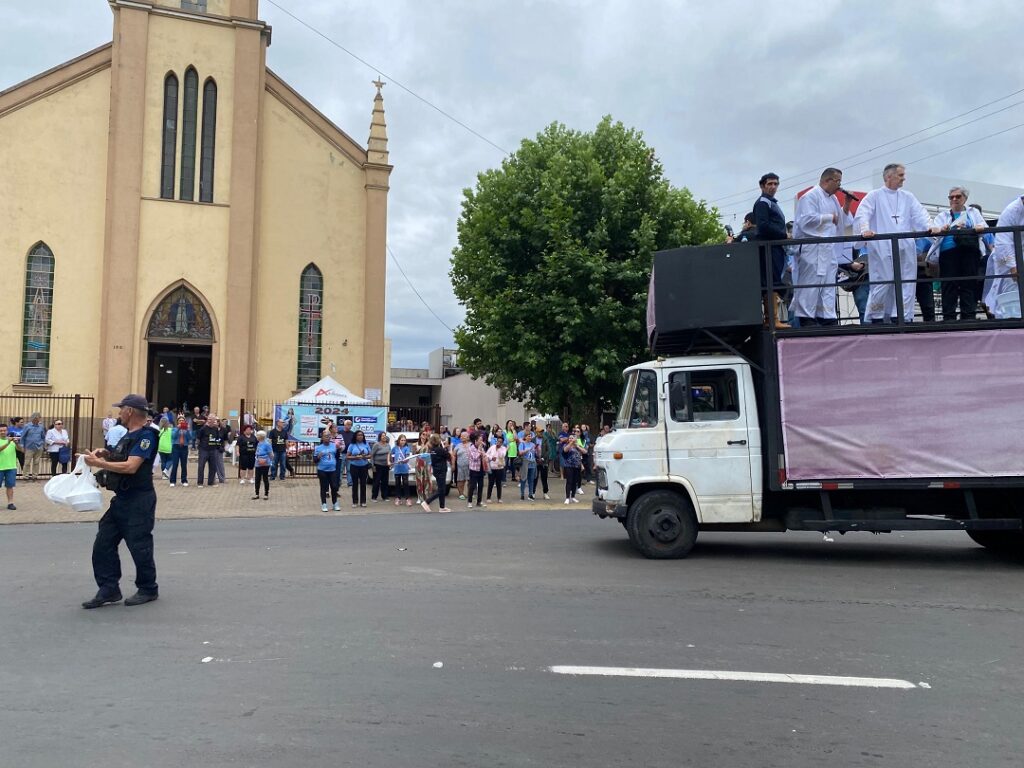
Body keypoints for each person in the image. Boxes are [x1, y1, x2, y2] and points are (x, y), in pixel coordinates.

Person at [81, 394, 160, 609]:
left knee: (139, 545)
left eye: (121, 408)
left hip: (139, 499)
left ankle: (148, 588)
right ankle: (109, 588)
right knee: (103, 542)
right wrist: (105, 454)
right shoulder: (128, 435)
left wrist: (100, 463)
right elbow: (121, 459)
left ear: (130, 411)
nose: (118, 412)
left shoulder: (147, 436)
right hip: (122, 499)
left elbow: (131, 466)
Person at [854, 163, 938, 323]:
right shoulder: (874, 196)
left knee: (906, 281)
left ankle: (902, 316)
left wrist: (931, 227)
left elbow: (920, 215)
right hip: (882, 246)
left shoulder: (908, 197)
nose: (903, 178)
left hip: (905, 246)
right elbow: (863, 214)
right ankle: (877, 317)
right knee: (882, 280)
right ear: (888, 176)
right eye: (900, 175)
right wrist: (865, 229)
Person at [790, 168, 854, 326]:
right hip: (813, 247)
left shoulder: (832, 199)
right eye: (837, 181)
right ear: (827, 180)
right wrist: (828, 218)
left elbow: (840, 221)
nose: (840, 185)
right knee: (810, 283)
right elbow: (805, 221)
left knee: (827, 284)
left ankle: (826, 316)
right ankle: (806, 317)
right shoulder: (810, 196)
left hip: (828, 248)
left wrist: (846, 204)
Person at [926, 186, 988, 321]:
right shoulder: (943, 215)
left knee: (969, 284)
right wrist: (943, 228)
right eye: (951, 197)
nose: (954, 199)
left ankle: (969, 316)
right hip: (948, 253)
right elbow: (934, 231)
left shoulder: (974, 212)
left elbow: (984, 227)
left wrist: (975, 228)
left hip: (969, 252)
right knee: (949, 285)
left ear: (965, 198)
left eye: (958, 196)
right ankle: (949, 318)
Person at [753, 172, 790, 328]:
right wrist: (784, 234)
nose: (773, 187)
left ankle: (772, 318)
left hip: (775, 247)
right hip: (769, 246)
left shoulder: (771, 202)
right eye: (770, 184)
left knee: (774, 279)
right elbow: (763, 225)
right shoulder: (763, 202)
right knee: (771, 280)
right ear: (762, 186)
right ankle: (771, 318)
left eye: (775, 184)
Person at [984, 195, 1024, 318]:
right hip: (1007, 259)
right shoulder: (1011, 211)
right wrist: (1013, 265)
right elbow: (1003, 241)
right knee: (1009, 291)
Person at [420, 434, 453, 513]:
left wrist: (444, 448)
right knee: (441, 490)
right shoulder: (440, 450)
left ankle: (442, 507)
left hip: (436, 470)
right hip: (441, 470)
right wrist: (450, 448)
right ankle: (427, 502)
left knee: (442, 488)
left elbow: (442, 455)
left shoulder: (433, 450)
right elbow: (449, 456)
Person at [313, 430, 340, 511]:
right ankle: (324, 504)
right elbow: (314, 460)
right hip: (322, 470)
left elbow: (337, 456)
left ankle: (335, 503)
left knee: (334, 487)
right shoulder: (318, 448)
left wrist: (338, 450)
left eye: (328, 436)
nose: (327, 437)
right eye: (325, 436)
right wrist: (318, 457)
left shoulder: (334, 446)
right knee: (324, 488)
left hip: (332, 470)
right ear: (322, 437)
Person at [195, 414, 223, 487]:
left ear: (214, 421)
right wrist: (199, 447)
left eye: (212, 419)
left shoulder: (215, 428)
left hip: (213, 450)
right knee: (201, 466)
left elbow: (217, 438)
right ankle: (200, 482)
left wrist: (218, 446)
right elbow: (198, 438)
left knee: (213, 466)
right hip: (203, 450)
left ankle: (211, 482)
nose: (210, 420)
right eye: (209, 419)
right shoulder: (203, 429)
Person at [346, 430, 370, 507]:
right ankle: (355, 501)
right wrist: (355, 457)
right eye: (358, 435)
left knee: (363, 484)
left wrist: (364, 456)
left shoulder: (366, 444)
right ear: (355, 436)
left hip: (364, 466)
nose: (360, 436)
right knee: (355, 484)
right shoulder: (352, 445)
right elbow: (347, 456)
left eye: (361, 435)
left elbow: (370, 455)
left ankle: (363, 501)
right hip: (354, 467)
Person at [21, 412, 46, 480]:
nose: (38, 420)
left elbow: (43, 437)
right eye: (37, 418)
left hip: (39, 447)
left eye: (39, 418)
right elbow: (22, 437)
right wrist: (22, 446)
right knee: (27, 462)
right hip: (29, 447)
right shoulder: (27, 426)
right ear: (33, 418)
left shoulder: (41, 427)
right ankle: (25, 476)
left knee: (36, 462)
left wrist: (43, 445)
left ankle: (35, 476)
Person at [466, 431, 487, 508]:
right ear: (475, 441)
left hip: (481, 468)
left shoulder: (481, 448)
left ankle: (479, 501)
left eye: (482, 440)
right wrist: (479, 450)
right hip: (474, 469)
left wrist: (489, 457)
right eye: (480, 440)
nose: (481, 442)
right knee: (472, 485)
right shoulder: (471, 448)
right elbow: (475, 457)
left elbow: (485, 455)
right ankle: (470, 501)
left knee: (481, 485)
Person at [390, 433, 413, 507]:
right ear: (399, 440)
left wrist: (404, 460)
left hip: (404, 468)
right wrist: (392, 461)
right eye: (402, 440)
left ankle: (407, 499)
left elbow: (407, 457)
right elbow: (391, 455)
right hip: (397, 468)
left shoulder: (407, 448)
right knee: (397, 484)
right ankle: (398, 498)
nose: (403, 441)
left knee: (406, 483)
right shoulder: (395, 448)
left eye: (404, 440)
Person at [413, 431, 436, 504]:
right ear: (420, 435)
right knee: (419, 481)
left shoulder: (429, 444)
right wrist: (416, 449)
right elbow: (414, 454)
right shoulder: (416, 444)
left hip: (427, 464)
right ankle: (420, 497)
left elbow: (432, 452)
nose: (424, 436)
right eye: (423, 434)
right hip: (419, 464)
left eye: (426, 435)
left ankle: (426, 497)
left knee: (426, 481)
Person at [168, 417, 192, 486]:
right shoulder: (174, 429)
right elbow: (173, 436)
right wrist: (178, 428)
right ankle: (172, 481)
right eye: (180, 420)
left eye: (182, 421)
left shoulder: (187, 429)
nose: (181, 422)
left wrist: (187, 430)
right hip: (176, 447)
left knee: (184, 465)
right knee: (175, 464)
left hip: (184, 447)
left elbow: (190, 438)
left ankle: (184, 480)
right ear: (177, 422)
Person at [561, 432, 583, 504]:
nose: (571, 439)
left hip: (577, 466)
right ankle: (567, 497)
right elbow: (565, 450)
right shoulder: (566, 445)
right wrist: (571, 443)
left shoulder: (577, 446)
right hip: (569, 466)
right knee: (569, 481)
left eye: (572, 438)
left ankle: (573, 496)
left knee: (575, 482)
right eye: (570, 438)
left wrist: (577, 446)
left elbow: (584, 452)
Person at [0, 424, 18, 510]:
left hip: (11, 467)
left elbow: (22, 450)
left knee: (10, 486)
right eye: (1, 430)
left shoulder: (12, 441)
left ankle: (10, 503)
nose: (3, 432)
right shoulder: (8, 441)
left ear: (7, 431)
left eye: (4, 430)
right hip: (0, 467)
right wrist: (8, 442)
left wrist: (17, 444)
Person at [370, 431, 391, 502]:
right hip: (377, 466)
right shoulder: (376, 445)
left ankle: (385, 496)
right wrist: (373, 466)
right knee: (376, 481)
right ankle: (374, 497)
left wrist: (389, 462)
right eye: (382, 436)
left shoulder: (388, 445)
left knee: (385, 481)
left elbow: (389, 454)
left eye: (385, 436)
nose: (384, 437)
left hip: (386, 466)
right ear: (380, 437)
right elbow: (372, 455)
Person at [485, 434, 507, 503]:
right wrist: (491, 458)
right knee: (490, 483)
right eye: (498, 441)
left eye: (500, 442)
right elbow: (486, 454)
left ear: (502, 443)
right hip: (492, 467)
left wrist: (498, 449)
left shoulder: (503, 448)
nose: (498, 443)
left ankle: (499, 498)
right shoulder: (492, 447)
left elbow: (503, 455)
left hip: (500, 468)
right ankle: (488, 497)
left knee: (498, 483)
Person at [518, 430, 538, 501]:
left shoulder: (533, 444)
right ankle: (522, 494)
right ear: (525, 437)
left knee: (531, 479)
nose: (530, 437)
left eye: (530, 436)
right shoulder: (522, 444)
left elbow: (535, 454)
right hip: (525, 463)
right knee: (523, 479)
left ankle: (530, 494)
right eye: (528, 436)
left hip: (532, 463)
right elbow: (520, 453)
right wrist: (526, 450)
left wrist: (537, 450)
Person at [253, 430, 273, 501]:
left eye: (257, 435)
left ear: (261, 437)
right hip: (258, 463)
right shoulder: (258, 443)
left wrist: (268, 461)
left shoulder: (267, 444)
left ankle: (266, 494)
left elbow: (271, 454)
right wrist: (258, 459)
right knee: (257, 478)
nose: (256, 437)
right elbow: (257, 453)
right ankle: (256, 494)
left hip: (265, 463)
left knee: (265, 478)